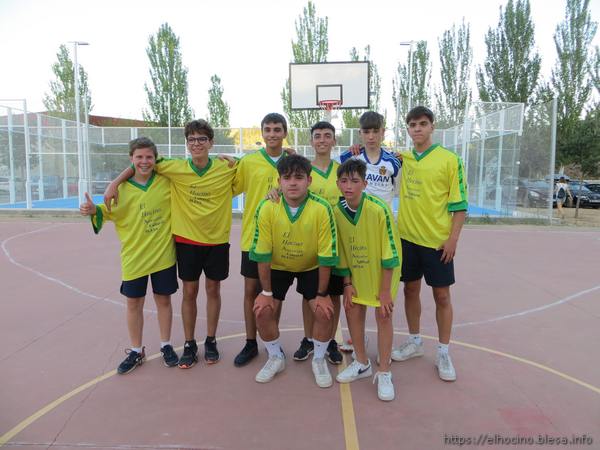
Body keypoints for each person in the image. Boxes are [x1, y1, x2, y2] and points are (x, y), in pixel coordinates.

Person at [104, 120, 237, 369]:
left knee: (213, 290)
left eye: (202, 139)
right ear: (186, 144)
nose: (196, 144)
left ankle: (210, 340)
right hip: (186, 241)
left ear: (211, 142)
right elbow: (142, 162)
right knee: (189, 292)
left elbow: (257, 169)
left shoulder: (227, 166)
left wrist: (286, 155)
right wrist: (115, 182)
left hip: (218, 240)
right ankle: (189, 343)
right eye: (192, 139)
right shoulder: (173, 168)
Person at [81, 137, 179, 374]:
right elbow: (106, 212)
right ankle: (136, 350)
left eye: (149, 157)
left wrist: (116, 178)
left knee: (164, 301)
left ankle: (166, 345)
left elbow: (165, 163)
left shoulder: (166, 181)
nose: (144, 161)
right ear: (131, 159)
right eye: (139, 157)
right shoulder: (121, 191)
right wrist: (94, 210)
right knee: (134, 304)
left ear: (155, 159)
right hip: (134, 257)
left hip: (163, 255)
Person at [392, 106, 468, 382]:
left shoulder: (450, 160)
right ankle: (414, 341)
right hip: (407, 238)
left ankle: (444, 351)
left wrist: (452, 239)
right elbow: (371, 159)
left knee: (442, 296)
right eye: (412, 125)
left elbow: (459, 206)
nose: (417, 129)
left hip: (437, 243)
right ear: (408, 129)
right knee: (410, 290)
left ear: (432, 127)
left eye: (422, 124)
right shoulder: (403, 158)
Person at [250, 154, 339, 386]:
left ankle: (318, 359)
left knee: (324, 311)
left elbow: (326, 257)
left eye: (299, 177)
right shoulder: (268, 207)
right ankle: (276, 356)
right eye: (287, 178)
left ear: (309, 181)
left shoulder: (322, 209)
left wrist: (322, 295)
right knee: (261, 310)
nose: (292, 183)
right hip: (279, 266)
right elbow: (262, 253)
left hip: (310, 266)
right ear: (278, 181)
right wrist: (266, 293)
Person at [333, 159, 401, 401]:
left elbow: (390, 253)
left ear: (364, 183)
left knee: (383, 314)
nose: (348, 185)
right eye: (343, 181)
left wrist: (384, 291)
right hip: (357, 271)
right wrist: (347, 283)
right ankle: (361, 362)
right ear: (338, 184)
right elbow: (341, 251)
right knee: (352, 308)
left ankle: (384, 371)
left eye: (354, 181)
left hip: (384, 271)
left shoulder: (378, 209)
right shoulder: (337, 212)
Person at [231, 113, 290, 367]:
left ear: (285, 133)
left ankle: (271, 343)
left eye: (277, 129)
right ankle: (250, 342)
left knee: (274, 293)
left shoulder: (293, 162)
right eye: (268, 129)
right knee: (251, 291)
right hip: (253, 238)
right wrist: (228, 163)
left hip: (284, 238)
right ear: (262, 133)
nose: (272, 134)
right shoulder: (249, 162)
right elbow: (231, 186)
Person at [290, 121, 343, 365]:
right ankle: (309, 338)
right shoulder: (303, 171)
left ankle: (330, 340)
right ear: (311, 141)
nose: (322, 140)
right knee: (308, 294)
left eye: (327, 136)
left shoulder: (341, 171)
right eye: (318, 136)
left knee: (334, 294)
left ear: (334, 140)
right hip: (310, 244)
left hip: (338, 243)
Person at [339, 111, 400, 209]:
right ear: (360, 133)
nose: (371, 137)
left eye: (375, 131)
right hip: (358, 218)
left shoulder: (393, 161)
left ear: (383, 132)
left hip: (384, 219)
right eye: (366, 132)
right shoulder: (350, 157)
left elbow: (399, 189)